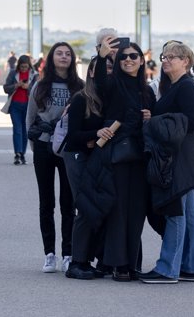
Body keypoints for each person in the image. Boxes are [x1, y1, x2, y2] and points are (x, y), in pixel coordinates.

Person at [140, 40, 194, 284]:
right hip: (183, 156)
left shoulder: (186, 87)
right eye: (164, 56)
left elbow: (192, 121)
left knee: (175, 212)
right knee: (189, 214)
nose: (166, 60)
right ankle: (191, 266)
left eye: (173, 57)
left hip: (180, 158)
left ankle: (168, 268)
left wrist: (154, 120)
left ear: (186, 61)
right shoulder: (175, 87)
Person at [94, 37, 156, 282]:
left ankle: (132, 263)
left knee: (136, 212)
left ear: (142, 61)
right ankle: (118, 264)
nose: (128, 60)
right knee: (118, 210)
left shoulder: (147, 91)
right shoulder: (113, 84)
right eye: (123, 57)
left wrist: (152, 116)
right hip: (117, 156)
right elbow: (99, 82)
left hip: (140, 158)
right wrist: (102, 57)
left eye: (133, 56)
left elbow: (158, 118)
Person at [26, 42, 84, 274]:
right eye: (59, 53)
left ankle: (68, 252)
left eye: (67, 54)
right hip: (43, 146)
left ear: (73, 59)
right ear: (51, 58)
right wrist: (35, 145)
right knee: (46, 201)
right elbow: (30, 117)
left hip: (68, 148)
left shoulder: (79, 86)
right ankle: (49, 253)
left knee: (68, 203)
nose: (63, 57)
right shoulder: (40, 86)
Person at [63, 56, 110, 280]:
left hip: (92, 157)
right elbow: (73, 135)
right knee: (84, 206)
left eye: (111, 68)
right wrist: (95, 135)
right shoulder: (81, 98)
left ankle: (87, 259)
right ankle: (76, 262)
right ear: (91, 72)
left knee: (94, 208)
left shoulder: (105, 98)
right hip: (76, 156)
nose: (107, 72)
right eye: (103, 68)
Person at [3, 55, 37, 165]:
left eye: (26, 67)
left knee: (25, 130)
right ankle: (17, 153)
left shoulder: (34, 75)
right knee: (17, 129)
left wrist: (28, 88)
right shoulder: (13, 73)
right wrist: (16, 85)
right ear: (19, 66)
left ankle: (22, 153)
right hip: (15, 105)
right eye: (22, 67)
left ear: (29, 66)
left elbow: (39, 91)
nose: (23, 69)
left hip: (28, 106)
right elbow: (5, 88)